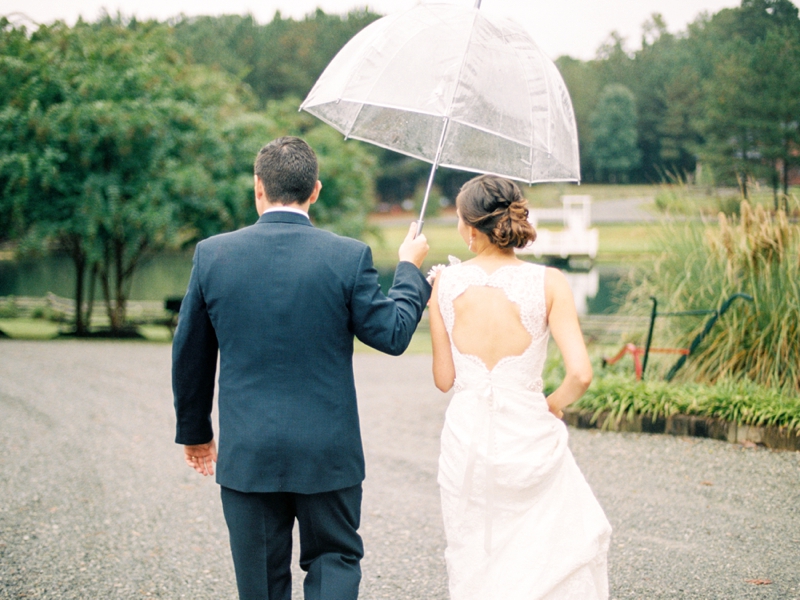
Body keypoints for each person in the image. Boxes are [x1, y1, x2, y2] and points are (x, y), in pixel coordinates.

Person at [172, 136, 431, 600]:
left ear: (258, 188)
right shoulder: (348, 256)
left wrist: (195, 431)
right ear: (316, 190)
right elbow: (392, 335)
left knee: (261, 586)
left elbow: (190, 352)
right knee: (334, 563)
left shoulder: (213, 254)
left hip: (249, 455)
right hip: (327, 454)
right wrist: (410, 270)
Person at [428, 174, 612, 599]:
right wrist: (552, 404)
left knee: (476, 548)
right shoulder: (549, 282)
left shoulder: (444, 284)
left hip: (467, 436)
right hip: (529, 433)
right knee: (544, 549)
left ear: (469, 227)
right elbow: (581, 374)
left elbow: (444, 380)